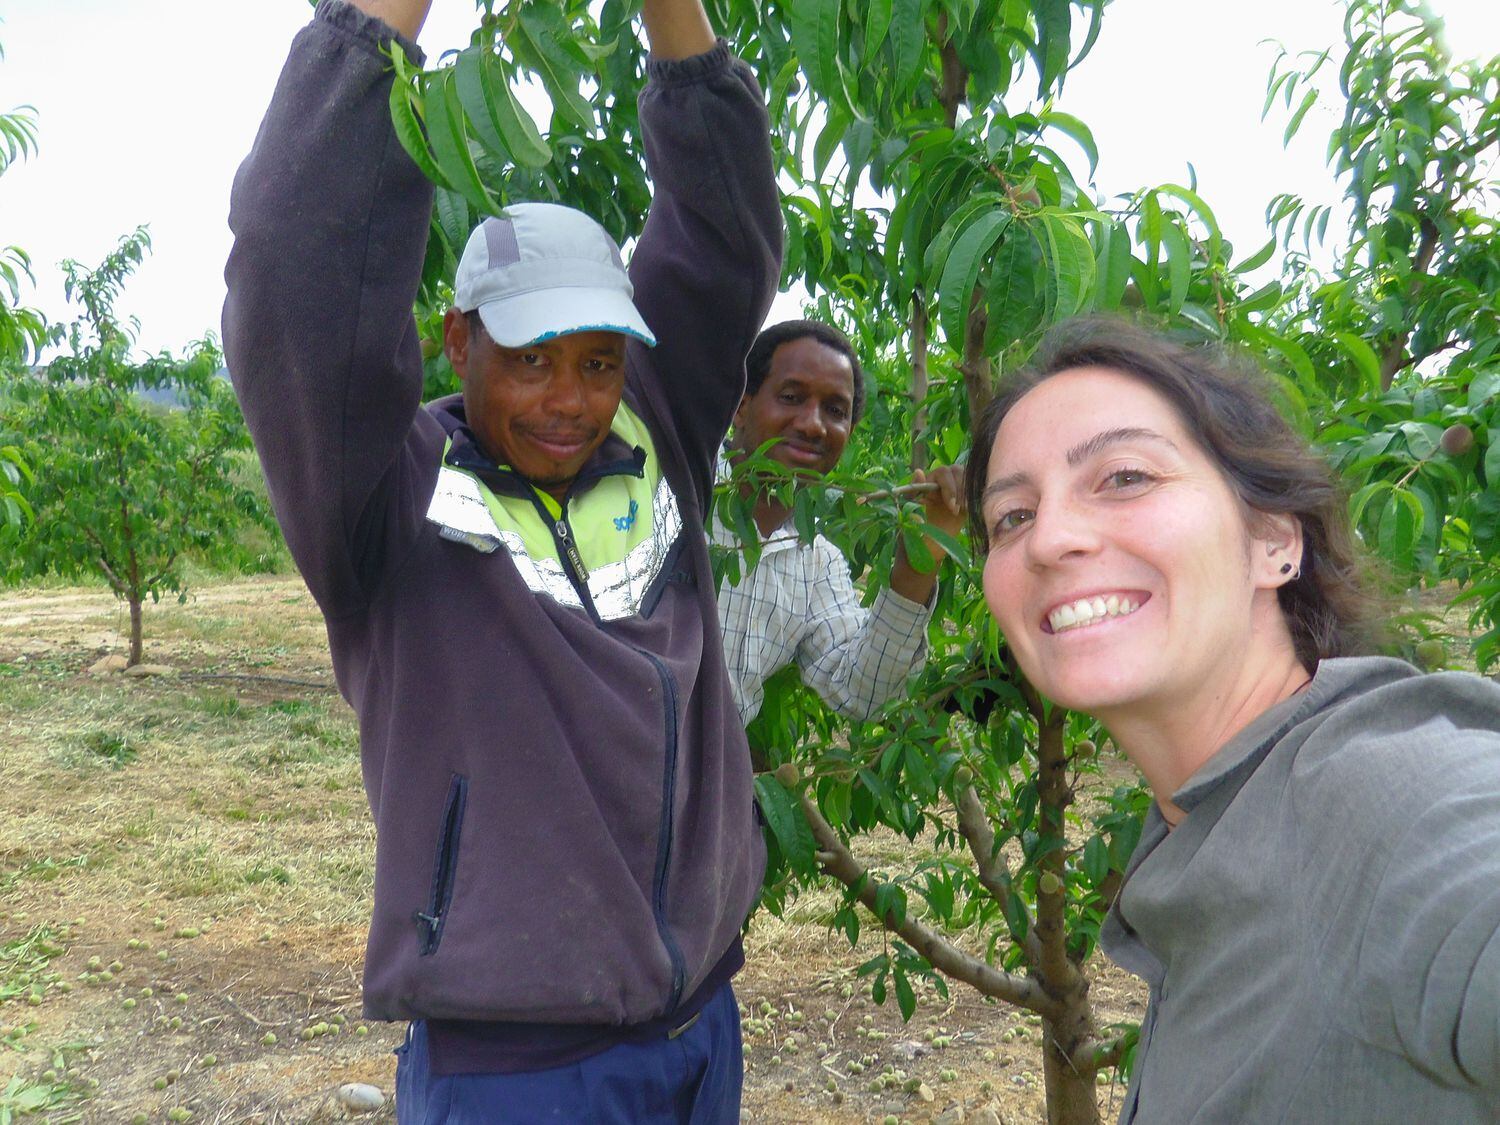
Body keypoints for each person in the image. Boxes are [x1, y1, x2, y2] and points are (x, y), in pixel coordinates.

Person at [223, 0, 781, 1119]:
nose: (570, 401)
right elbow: (296, 268)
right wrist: (374, 34)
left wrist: (676, 18)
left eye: (598, 360)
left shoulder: (656, 432)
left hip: (700, 1023)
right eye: (530, 360)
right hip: (517, 1069)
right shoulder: (383, 494)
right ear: (459, 340)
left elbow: (725, 238)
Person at [967, 317, 1500, 1121]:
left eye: (1124, 476)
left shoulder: (1383, 797)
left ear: (1273, 541)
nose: (1050, 537)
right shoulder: (1208, 830)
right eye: (1011, 515)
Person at [715, 319, 966, 727]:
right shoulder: (675, 494)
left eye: (835, 411)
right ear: (741, 407)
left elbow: (862, 693)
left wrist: (921, 556)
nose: (814, 424)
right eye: (791, 396)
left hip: (706, 783)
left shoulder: (817, 564)